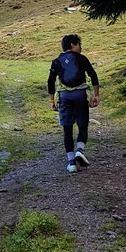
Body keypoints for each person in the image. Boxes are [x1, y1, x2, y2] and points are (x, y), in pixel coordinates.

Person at [48, 34, 100, 173]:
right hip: (80, 95)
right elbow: (93, 75)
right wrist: (96, 95)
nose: (81, 48)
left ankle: (71, 163)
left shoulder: (56, 61)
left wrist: (52, 101)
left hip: (64, 96)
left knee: (67, 129)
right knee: (82, 126)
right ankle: (79, 151)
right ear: (73, 45)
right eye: (79, 44)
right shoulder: (82, 58)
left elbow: (50, 81)